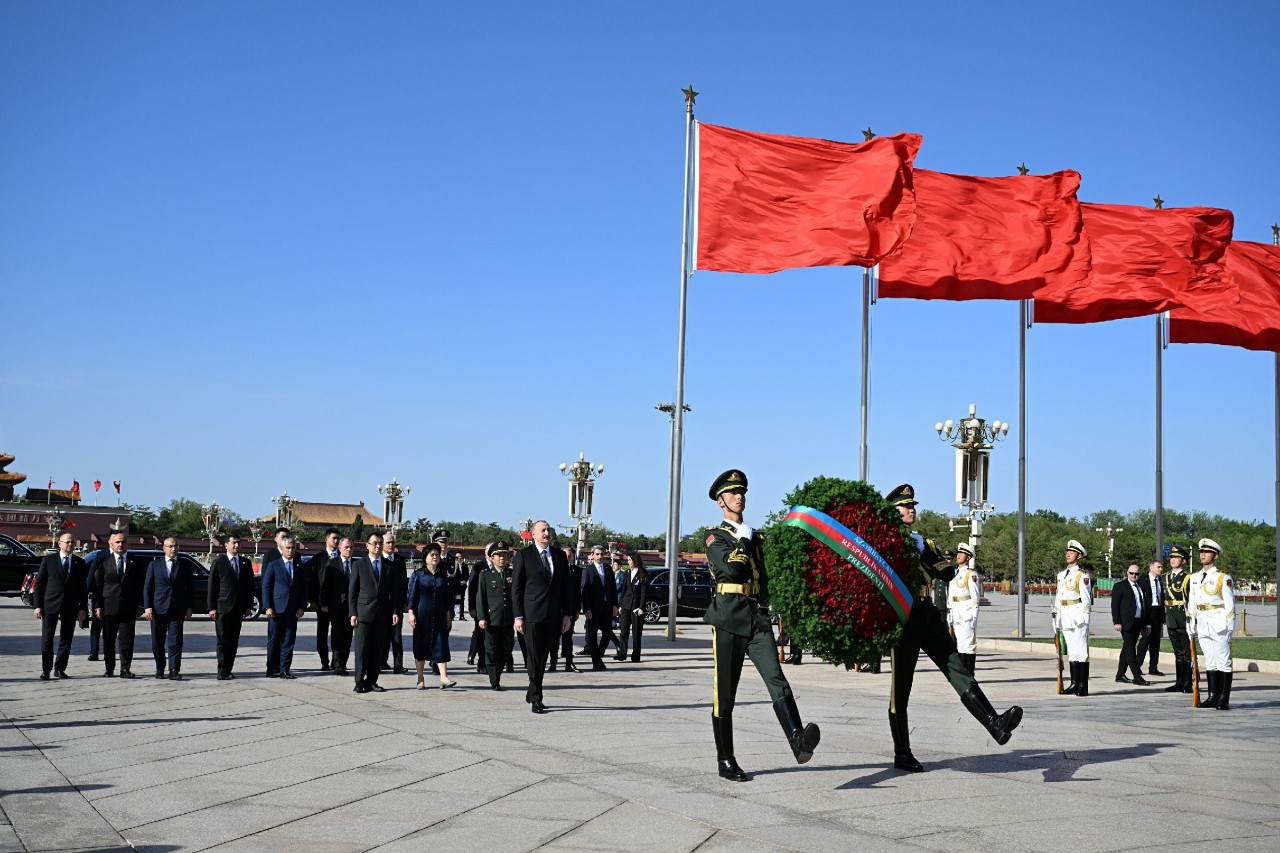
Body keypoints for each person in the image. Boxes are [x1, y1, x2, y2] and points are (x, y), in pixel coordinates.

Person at [883, 484, 1022, 773]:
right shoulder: (885, 544)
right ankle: (902, 753)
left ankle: (994, 724)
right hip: (903, 619)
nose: (912, 510)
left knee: (957, 668)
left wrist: (924, 550)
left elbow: (946, 573)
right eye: (905, 506)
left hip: (927, 614)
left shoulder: (924, 543)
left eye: (913, 505)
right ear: (892, 513)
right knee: (901, 690)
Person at [704, 470, 821, 782]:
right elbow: (732, 569)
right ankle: (725, 760)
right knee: (725, 692)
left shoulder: (756, 537)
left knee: (776, 676)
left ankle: (797, 740)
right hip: (728, 618)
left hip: (757, 617)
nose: (739, 497)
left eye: (741, 492)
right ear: (721, 501)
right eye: (732, 493)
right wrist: (743, 540)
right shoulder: (716, 537)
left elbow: (770, 575)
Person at [512, 520, 573, 714]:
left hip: (553, 614)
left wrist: (567, 614)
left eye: (548, 530)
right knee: (533, 655)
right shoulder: (524, 556)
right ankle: (537, 697)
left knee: (543, 656)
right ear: (534, 535)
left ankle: (532, 689)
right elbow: (517, 588)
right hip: (531, 614)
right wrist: (518, 616)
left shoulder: (559, 556)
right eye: (543, 530)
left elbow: (566, 587)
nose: (547, 533)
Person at [33, 532, 88, 680]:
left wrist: (83, 608)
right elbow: (39, 585)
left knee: (66, 638)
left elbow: (83, 587)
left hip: (70, 605)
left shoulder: (79, 562)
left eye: (72, 542)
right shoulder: (49, 560)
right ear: (60, 543)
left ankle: (60, 668)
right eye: (67, 542)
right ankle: (46, 669)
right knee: (47, 638)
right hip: (50, 604)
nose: (70, 545)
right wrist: (37, 606)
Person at [349, 532, 400, 693]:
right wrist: (352, 613)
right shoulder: (359, 564)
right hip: (363, 612)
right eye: (374, 543)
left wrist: (395, 611)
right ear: (367, 545)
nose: (378, 546)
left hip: (382, 613)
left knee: (377, 649)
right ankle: (359, 681)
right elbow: (353, 591)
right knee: (361, 649)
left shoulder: (389, 566)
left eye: (380, 543)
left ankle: (372, 680)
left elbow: (395, 592)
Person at [1189, 538, 1234, 710]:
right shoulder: (1194, 577)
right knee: (1210, 661)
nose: (1202, 555)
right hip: (1202, 624)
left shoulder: (1222, 577)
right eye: (1201, 552)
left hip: (1219, 624)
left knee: (1224, 662)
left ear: (1215, 556)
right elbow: (1192, 603)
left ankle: (1224, 698)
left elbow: (1229, 605)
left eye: (1206, 552)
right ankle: (1212, 696)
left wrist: (1229, 627)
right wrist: (1191, 623)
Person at [93, 531, 142, 679]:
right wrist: (98, 606)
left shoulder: (135, 561)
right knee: (108, 639)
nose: (121, 544)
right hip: (109, 606)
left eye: (123, 542)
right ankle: (109, 668)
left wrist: (140, 604)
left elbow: (140, 585)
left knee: (127, 639)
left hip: (128, 607)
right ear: (111, 544)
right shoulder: (103, 561)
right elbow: (98, 586)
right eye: (118, 542)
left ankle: (125, 669)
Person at [143, 537, 193, 680]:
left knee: (175, 641)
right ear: (164, 548)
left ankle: (174, 669)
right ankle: (160, 667)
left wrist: (190, 606)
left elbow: (190, 588)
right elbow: (148, 587)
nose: (173, 549)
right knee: (157, 642)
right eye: (170, 546)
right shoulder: (155, 565)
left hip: (177, 609)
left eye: (176, 546)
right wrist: (148, 607)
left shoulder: (184, 565)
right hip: (158, 609)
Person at [207, 533, 255, 680]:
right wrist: (212, 607)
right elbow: (212, 586)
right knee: (222, 640)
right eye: (233, 543)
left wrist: (248, 606)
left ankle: (229, 669)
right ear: (226, 545)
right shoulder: (218, 562)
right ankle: (221, 670)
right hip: (222, 608)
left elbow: (249, 587)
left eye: (238, 543)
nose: (236, 546)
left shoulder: (245, 563)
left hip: (238, 608)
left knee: (234, 640)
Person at [407, 543, 456, 689]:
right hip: (422, 616)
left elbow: (447, 598)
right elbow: (411, 596)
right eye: (432, 555)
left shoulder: (443, 575)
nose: (435, 557)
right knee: (421, 647)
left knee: (441, 645)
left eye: (437, 554)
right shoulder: (418, 575)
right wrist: (411, 613)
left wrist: (448, 614)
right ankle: (420, 678)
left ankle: (444, 677)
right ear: (425, 558)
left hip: (440, 615)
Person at [262, 535, 310, 679]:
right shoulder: (274, 565)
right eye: (288, 548)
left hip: (292, 609)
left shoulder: (299, 566)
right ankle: (271, 668)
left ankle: (285, 669)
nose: (290, 551)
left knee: (289, 641)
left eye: (293, 548)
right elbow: (266, 587)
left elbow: (304, 588)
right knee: (274, 640)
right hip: (276, 609)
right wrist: (268, 606)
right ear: (282, 549)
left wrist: (302, 606)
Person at [1053, 539, 1093, 697]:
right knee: (1072, 652)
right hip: (1065, 616)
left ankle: (1083, 685)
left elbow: (1086, 600)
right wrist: (1056, 617)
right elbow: (1058, 597)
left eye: (1072, 552)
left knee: (1081, 651)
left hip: (1078, 616)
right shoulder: (1061, 575)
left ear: (1079, 556)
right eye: (1067, 552)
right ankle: (1074, 683)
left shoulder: (1082, 576)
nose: (1068, 554)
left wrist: (1085, 619)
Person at [476, 541, 516, 689]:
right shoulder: (485, 575)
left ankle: (497, 672)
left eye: (504, 555)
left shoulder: (512, 574)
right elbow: (481, 597)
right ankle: (494, 680)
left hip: (507, 619)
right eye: (498, 555)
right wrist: (481, 617)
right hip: (492, 619)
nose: (502, 558)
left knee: (507, 648)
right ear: (492, 558)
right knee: (491, 649)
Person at [320, 537, 356, 676]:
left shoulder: (356, 563)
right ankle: (337, 663)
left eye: (351, 547)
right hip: (336, 606)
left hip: (351, 607)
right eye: (346, 547)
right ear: (340, 548)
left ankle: (342, 663)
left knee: (347, 636)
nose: (349, 549)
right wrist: (323, 603)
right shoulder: (332, 563)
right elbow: (325, 585)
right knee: (336, 634)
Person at [581, 545, 619, 671]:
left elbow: (613, 589)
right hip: (593, 608)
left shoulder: (608, 569)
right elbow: (584, 591)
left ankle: (598, 656)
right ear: (592, 555)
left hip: (607, 608)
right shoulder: (588, 570)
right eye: (597, 554)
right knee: (592, 636)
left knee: (607, 633)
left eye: (602, 554)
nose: (600, 557)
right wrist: (586, 609)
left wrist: (614, 605)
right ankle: (595, 662)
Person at [1112, 564, 1152, 686]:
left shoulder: (1141, 587)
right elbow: (1115, 606)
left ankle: (1120, 675)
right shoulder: (1120, 586)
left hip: (1138, 622)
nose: (1134, 576)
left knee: (1126, 649)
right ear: (1127, 573)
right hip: (1126, 623)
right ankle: (1137, 676)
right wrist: (1117, 622)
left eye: (1136, 574)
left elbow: (1144, 606)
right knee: (1130, 651)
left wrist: (1147, 624)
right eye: (1131, 573)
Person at [1162, 545, 1193, 693]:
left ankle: (1188, 682)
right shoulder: (1166, 577)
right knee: (1177, 651)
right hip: (1171, 617)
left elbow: (1191, 600)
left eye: (1177, 558)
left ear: (1184, 561)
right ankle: (1179, 681)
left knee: (1186, 652)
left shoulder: (1188, 578)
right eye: (1172, 558)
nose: (1173, 560)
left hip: (1182, 616)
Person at [947, 542, 980, 675]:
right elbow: (951, 595)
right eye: (958, 553)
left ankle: (969, 674)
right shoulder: (954, 573)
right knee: (960, 644)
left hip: (966, 614)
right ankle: (962, 674)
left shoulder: (971, 574)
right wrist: (950, 614)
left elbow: (975, 597)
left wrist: (974, 616)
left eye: (962, 554)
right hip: (956, 612)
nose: (959, 556)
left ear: (968, 557)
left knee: (969, 645)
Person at [313, 528, 342, 671]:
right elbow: (312, 581)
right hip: (321, 603)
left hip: (339, 603)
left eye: (338, 538)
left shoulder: (344, 557)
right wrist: (314, 601)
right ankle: (324, 660)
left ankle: (336, 662)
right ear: (326, 539)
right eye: (333, 538)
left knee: (338, 633)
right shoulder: (318, 558)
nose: (336, 541)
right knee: (322, 633)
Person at [550, 546, 582, 673]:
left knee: (568, 638)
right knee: (554, 639)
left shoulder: (577, 571)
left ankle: (569, 664)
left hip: (570, 609)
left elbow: (577, 591)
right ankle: (553, 664)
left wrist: (577, 609)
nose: (567, 558)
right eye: (565, 555)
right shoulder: (554, 568)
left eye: (570, 556)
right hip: (556, 609)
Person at [1135, 559, 1166, 677]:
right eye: (1158, 567)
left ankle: (1153, 667)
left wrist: (1162, 615)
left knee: (1156, 642)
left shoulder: (1159, 581)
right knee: (1145, 640)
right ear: (1151, 568)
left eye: (1161, 567)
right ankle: (1137, 666)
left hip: (1157, 613)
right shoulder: (1143, 580)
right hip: (1147, 613)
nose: (1161, 569)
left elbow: (1161, 598)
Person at [382, 532, 408, 674]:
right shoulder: (378, 559)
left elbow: (404, 583)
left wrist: (404, 602)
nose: (391, 545)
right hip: (381, 605)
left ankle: (398, 664)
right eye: (388, 542)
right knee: (383, 636)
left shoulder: (400, 560)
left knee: (397, 636)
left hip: (396, 604)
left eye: (393, 542)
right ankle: (382, 661)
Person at [616, 553, 648, 663]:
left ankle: (636, 656)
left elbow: (644, 593)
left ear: (635, 561)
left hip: (636, 608)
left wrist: (641, 608)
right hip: (626, 606)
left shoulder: (643, 573)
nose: (628, 562)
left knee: (636, 633)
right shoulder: (627, 573)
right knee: (623, 631)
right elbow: (623, 590)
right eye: (628, 560)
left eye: (630, 560)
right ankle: (622, 654)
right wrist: (620, 605)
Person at [467, 549, 489, 673]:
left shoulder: (502, 566)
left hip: (495, 608)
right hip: (480, 607)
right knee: (480, 635)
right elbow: (472, 587)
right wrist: (472, 607)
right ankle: (482, 664)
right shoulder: (478, 566)